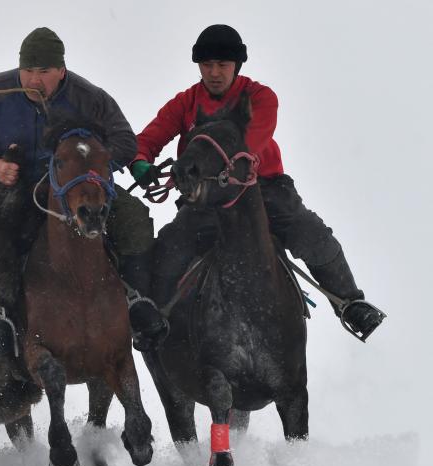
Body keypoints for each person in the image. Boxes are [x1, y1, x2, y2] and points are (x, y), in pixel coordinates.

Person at [130, 24, 384, 344]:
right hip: (206, 198)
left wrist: (212, 164)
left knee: (310, 232)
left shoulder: (260, 98)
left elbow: (249, 143)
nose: (214, 72)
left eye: (222, 65)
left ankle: (350, 303)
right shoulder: (185, 102)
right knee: (170, 246)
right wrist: (141, 161)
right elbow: (148, 138)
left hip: (264, 190)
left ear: (237, 65)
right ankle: (154, 321)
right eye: (207, 65)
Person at [0, 27, 164, 358]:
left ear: (61, 70)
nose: (34, 80)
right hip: (8, 180)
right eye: (28, 70)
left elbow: (124, 141)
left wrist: (90, 170)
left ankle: (135, 302)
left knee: (134, 218)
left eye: (44, 71)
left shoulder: (90, 98)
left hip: (76, 187)